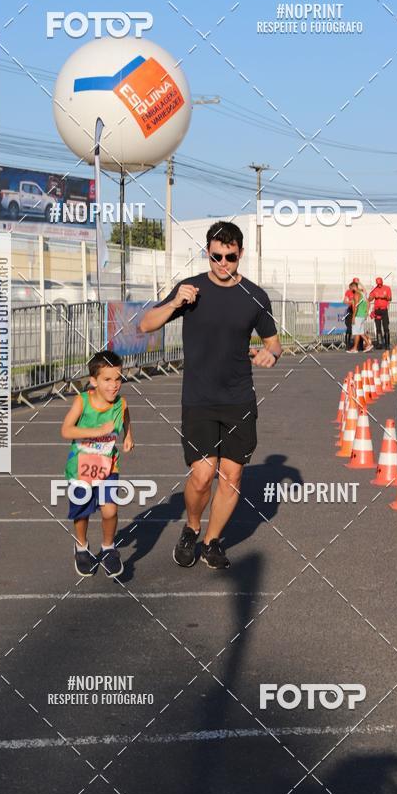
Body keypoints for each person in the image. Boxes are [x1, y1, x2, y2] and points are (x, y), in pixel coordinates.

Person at [138, 221, 282, 570]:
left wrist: (271, 355)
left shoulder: (255, 296)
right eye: (216, 255)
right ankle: (191, 527)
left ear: (240, 254)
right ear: (208, 252)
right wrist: (175, 302)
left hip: (239, 399)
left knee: (231, 476)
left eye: (230, 257)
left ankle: (212, 540)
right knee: (202, 475)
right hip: (199, 398)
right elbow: (145, 325)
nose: (222, 263)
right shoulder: (191, 290)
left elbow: (273, 343)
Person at [61, 351, 134, 578]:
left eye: (118, 379)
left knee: (110, 509)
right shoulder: (82, 402)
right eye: (107, 380)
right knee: (82, 513)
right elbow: (66, 430)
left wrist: (128, 435)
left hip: (108, 467)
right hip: (81, 468)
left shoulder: (120, 404)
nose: (114, 385)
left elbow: (126, 415)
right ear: (94, 381)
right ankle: (81, 547)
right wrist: (97, 431)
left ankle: (108, 547)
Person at [348, 282, 373, 353]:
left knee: (356, 332)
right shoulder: (363, 294)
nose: (350, 290)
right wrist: (366, 313)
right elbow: (368, 303)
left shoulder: (356, 294)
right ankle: (368, 344)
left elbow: (356, 306)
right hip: (362, 315)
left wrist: (353, 316)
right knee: (361, 332)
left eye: (350, 288)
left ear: (353, 287)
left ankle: (355, 348)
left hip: (358, 315)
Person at [368, 276, 392, 349]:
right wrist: (372, 295)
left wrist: (383, 296)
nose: (379, 285)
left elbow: (390, 298)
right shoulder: (375, 289)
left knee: (386, 327)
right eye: (378, 284)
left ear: (382, 282)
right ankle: (379, 344)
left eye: (380, 284)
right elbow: (370, 299)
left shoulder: (387, 288)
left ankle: (387, 345)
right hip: (377, 310)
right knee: (378, 328)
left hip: (384, 310)